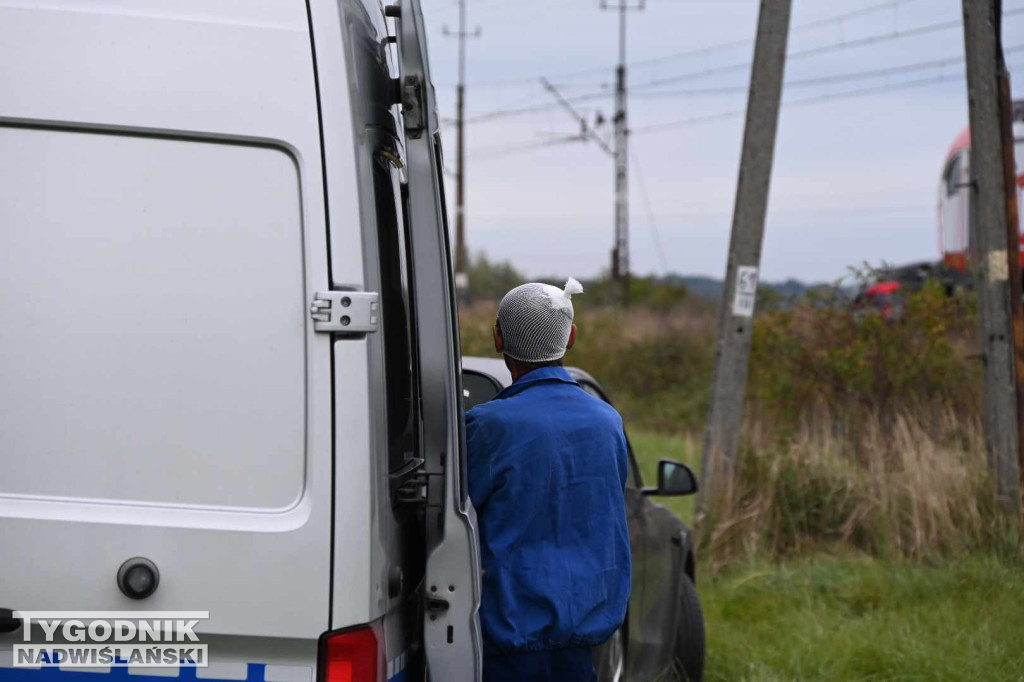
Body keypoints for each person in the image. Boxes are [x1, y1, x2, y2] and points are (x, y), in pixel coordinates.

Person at [465, 278, 631, 682]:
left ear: (497, 338)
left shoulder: (489, 425)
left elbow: (452, 514)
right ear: (571, 336)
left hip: (506, 647)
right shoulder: (607, 422)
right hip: (582, 647)